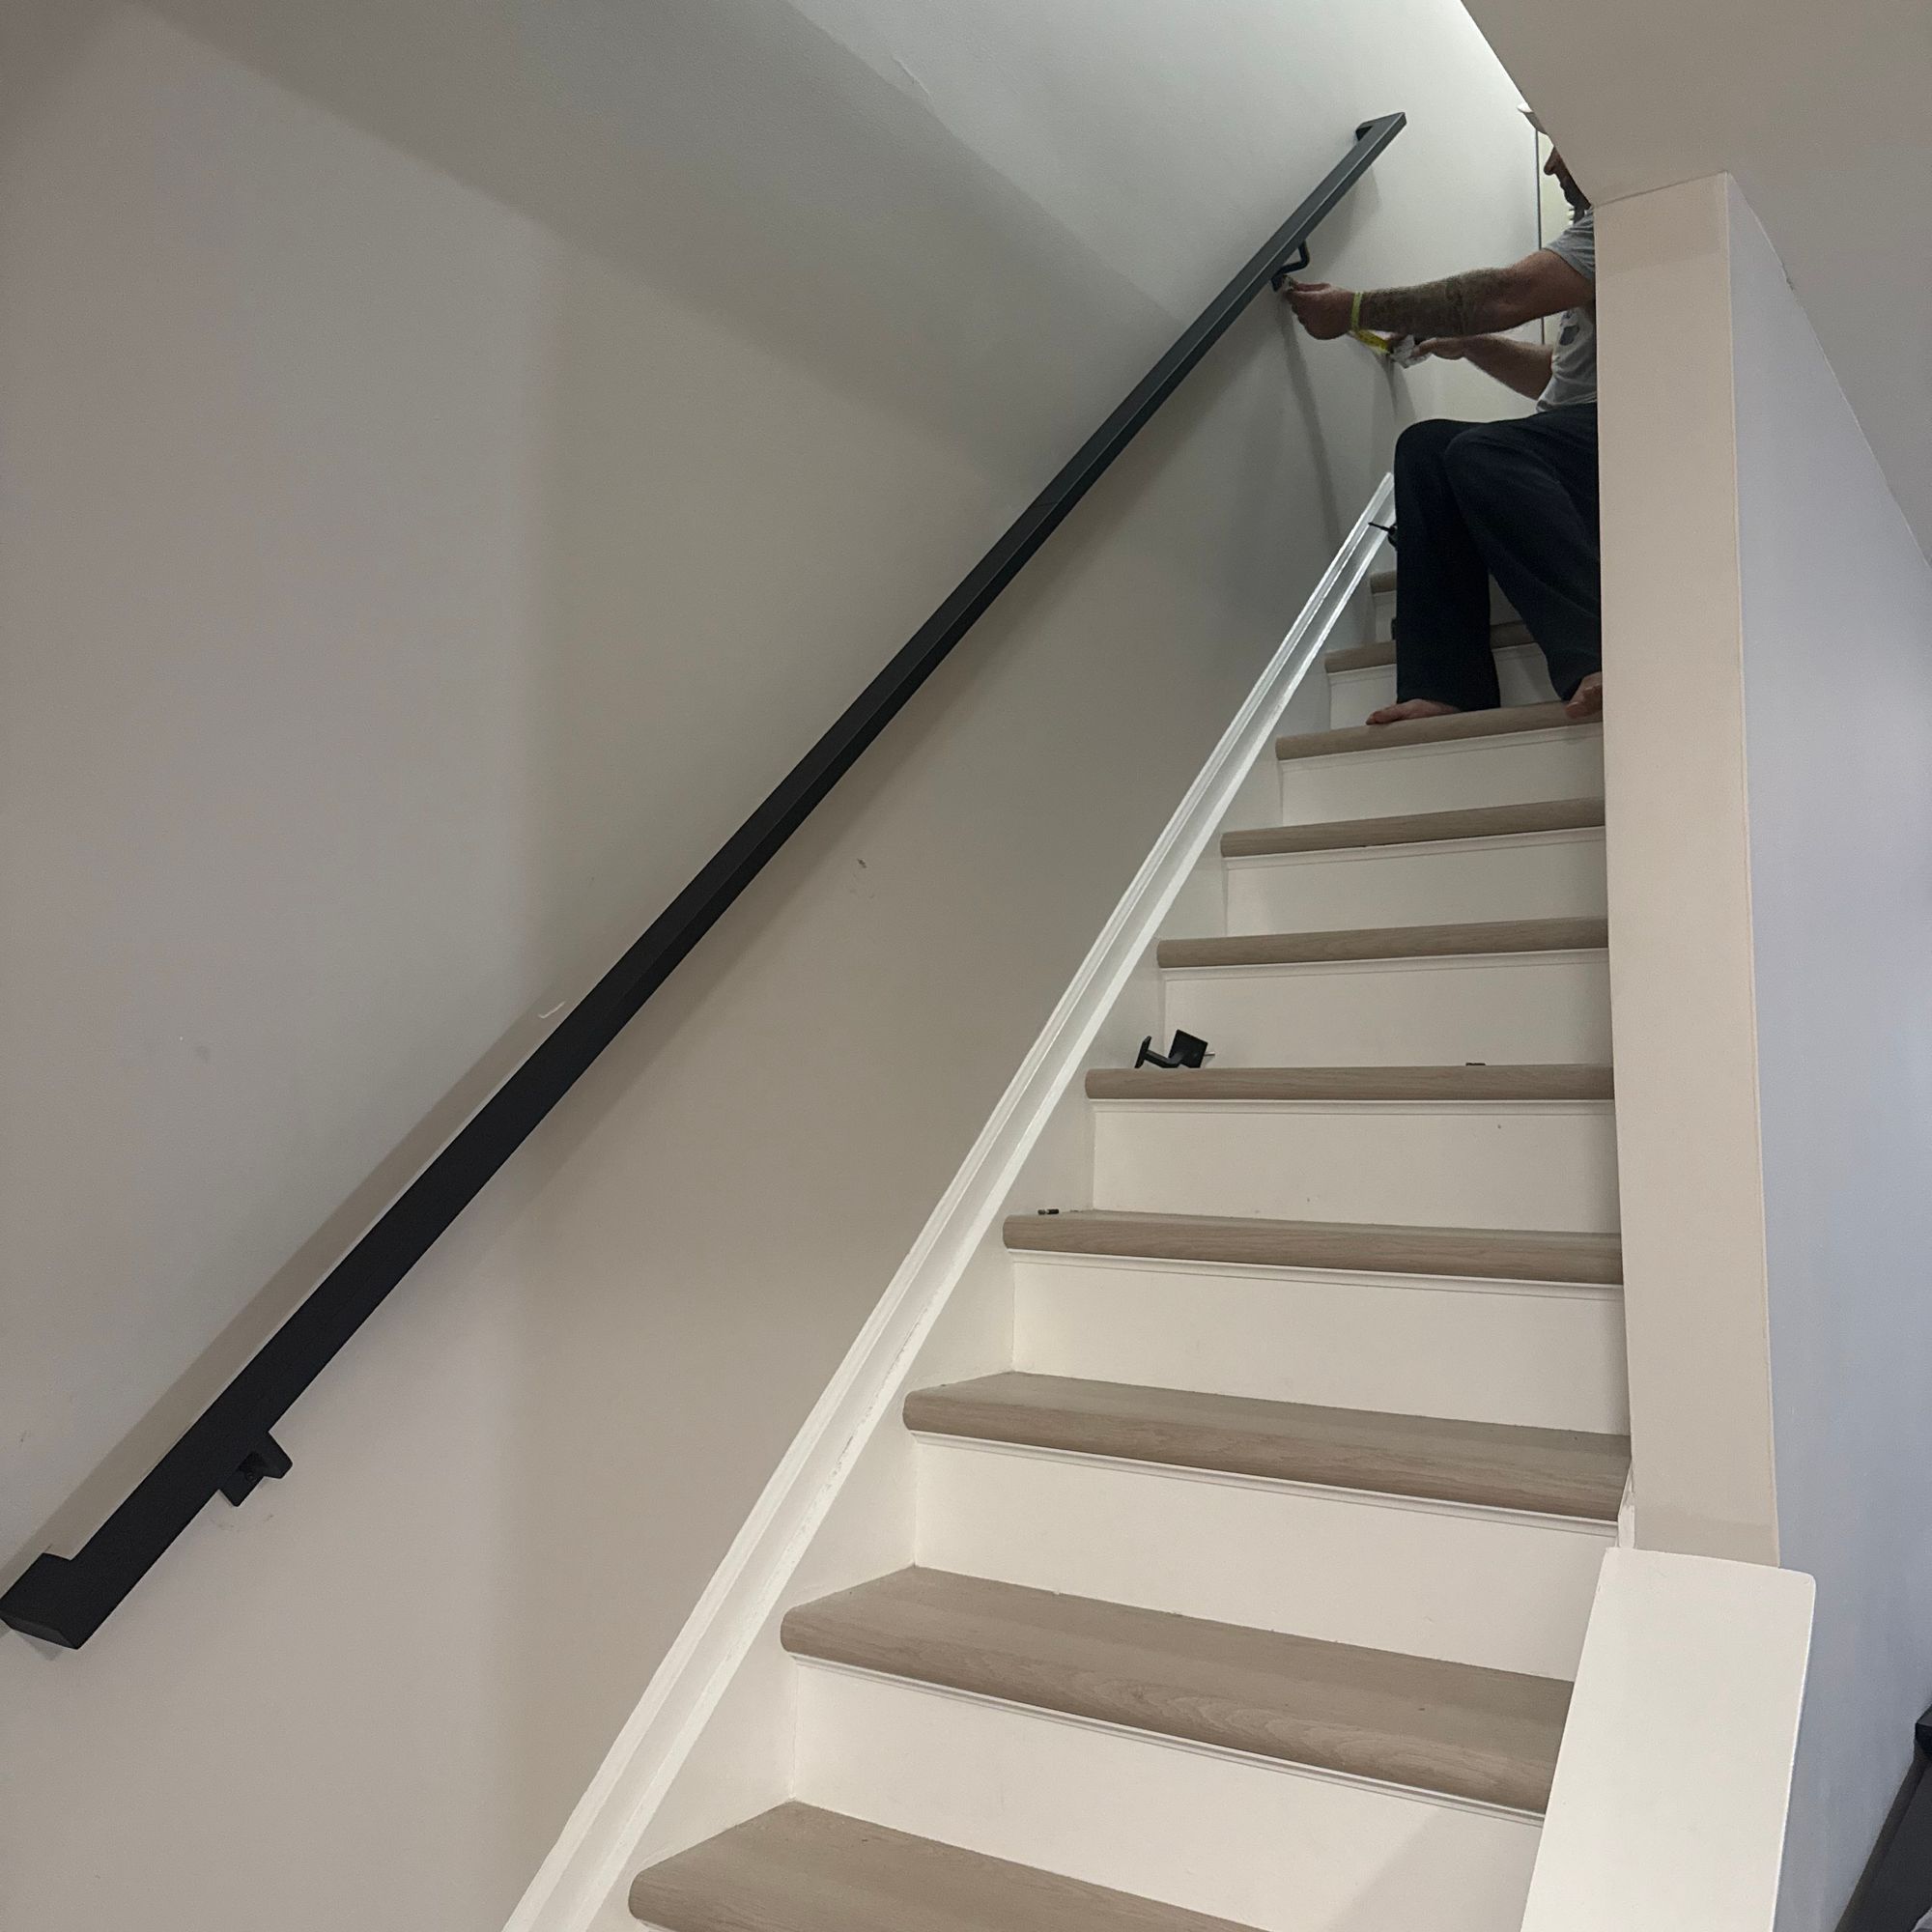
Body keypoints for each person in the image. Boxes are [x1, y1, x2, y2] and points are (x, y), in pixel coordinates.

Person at [1281, 135, 1602, 724]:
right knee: (1426, 447)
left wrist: (1354, 309)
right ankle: (1446, 684)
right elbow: (1562, 379)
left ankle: (1597, 657)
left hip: (1629, 440)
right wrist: (1473, 344)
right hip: (1582, 438)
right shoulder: (1596, 231)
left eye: (1562, 145)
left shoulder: (1616, 221)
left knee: (1486, 452)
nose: (1551, 163)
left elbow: (1508, 293)